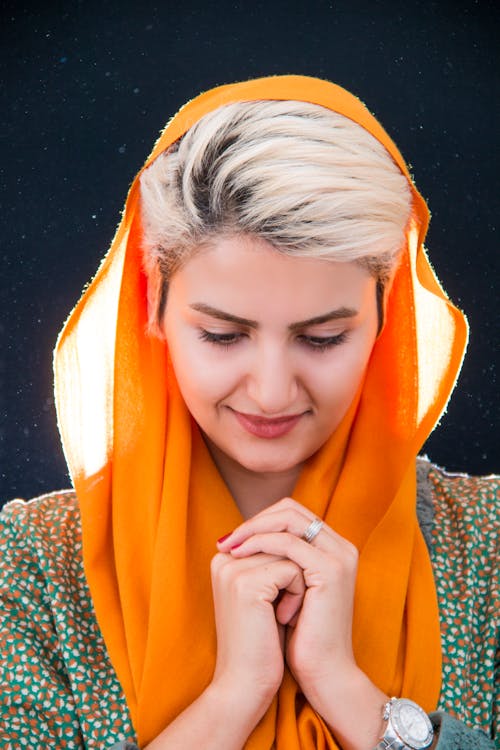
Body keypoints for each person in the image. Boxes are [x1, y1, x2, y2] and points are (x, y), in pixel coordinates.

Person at [0, 75, 497, 750]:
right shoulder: (31, 570)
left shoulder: (487, 548)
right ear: (152, 308)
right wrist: (234, 696)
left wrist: (345, 687)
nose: (269, 392)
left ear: (387, 319)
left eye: (323, 338)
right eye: (223, 335)